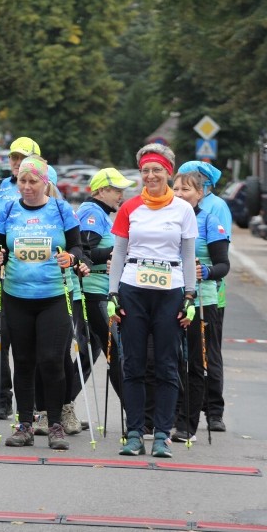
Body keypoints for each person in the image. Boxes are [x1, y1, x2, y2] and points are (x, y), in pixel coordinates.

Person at [0, 155, 86, 451]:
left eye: (34, 181)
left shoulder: (60, 208)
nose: (27, 187)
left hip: (53, 296)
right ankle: (25, 425)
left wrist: (71, 258)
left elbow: (78, 247)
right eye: (23, 181)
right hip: (17, 296)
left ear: (45, 182)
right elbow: (0, 246)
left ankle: (55, 424)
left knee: (52, 360)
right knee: (24, 361)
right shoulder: (8, 209)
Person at [108, 143, 198, 458]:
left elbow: (188, 257)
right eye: (145, 170)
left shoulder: (183, 210)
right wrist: (112, 292)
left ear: (168, 172)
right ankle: (134, 433)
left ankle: (162, 435)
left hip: (170, 292)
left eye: (156, 170)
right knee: (131, 364)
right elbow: (118, 252)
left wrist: (190, 296)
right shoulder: (130, 207)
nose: (150, 175)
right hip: (133, 289)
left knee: (167, 365)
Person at [0, 137, 41, 420]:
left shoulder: (47, 190)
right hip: (1, 271)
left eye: (23, 158)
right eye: (14, 157)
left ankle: (37, 401)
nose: (16, 163)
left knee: (34, 340)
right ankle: (1, 399)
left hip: (35, 276)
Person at [66, 168, 134, 433]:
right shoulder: (92, 213)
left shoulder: (100, 213)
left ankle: (58, 408)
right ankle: (137, 418)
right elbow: (84, 252)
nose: (121, 195)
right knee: (116, 353)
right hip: (90, 293)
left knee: (87, 355)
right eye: (116, 190)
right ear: (100, 191)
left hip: (96, 292)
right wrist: (118, 252)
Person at [171, 170, 230, 442]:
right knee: (168, 361)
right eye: (177, 189)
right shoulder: (167, 218)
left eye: (187, 190)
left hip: (201, 301)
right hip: (167, 297)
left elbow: (223, 265)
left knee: (194, 363)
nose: (181, 194)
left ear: (200, 194)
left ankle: (187, 424)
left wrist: (204, 272)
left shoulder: (209, 220)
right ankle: (167, 416)